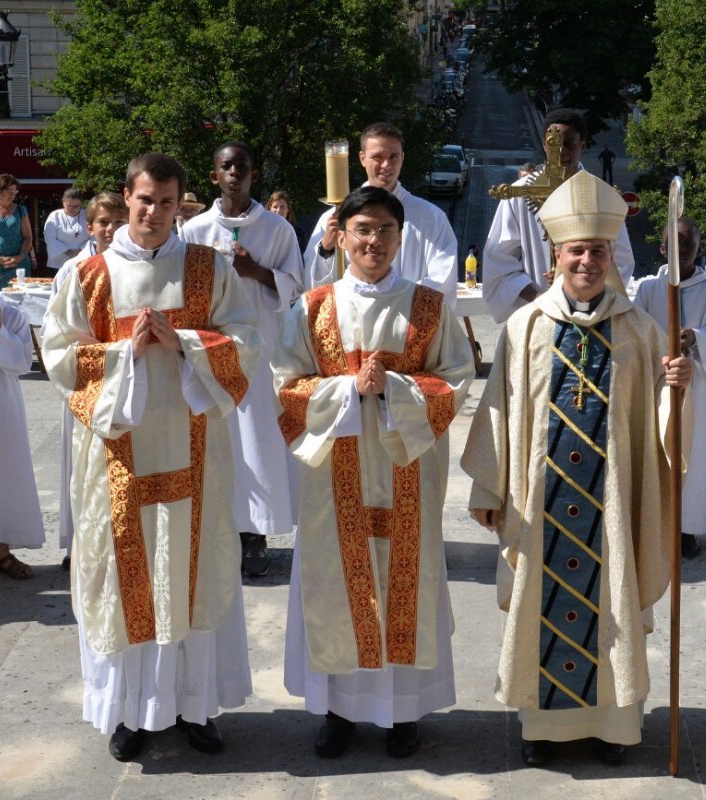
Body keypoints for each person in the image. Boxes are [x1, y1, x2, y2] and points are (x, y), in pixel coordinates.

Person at [463, 171, 692, 766]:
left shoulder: (640, 330)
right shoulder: (526, 327)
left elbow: (662, 427)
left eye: (598, 250)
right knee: (545, 596)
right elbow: (498, 411)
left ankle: (614, 728)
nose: (587, 260)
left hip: (612, 501)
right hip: (539, 503)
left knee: (612, 595)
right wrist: (490, 485)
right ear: (555, 258)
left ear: (612, 256)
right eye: (576, 250)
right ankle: (545, 729)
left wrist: (676, 390)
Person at [41, 152, 260, 761]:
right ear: (126, 198)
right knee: (123, 581)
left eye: (167, 202)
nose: (154, 212)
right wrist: (122, 354)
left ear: (181, 204)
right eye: (144, 200)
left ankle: (195, 707)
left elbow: (247, 344)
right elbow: (60, 355)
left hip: (196, 453)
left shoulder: (208, 269)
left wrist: (184, 341)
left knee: (194, 574)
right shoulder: (87, 275)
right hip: (119, 454)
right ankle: (129, 712)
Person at [276, 185, 474, 759]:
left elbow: (455, 380)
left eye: (385, 231)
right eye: (362, 229)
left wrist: (394, 388)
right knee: (338, 585)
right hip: (333, 477)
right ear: (341, 235)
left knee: (405, 584)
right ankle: (338, 712)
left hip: (405, 470)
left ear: (400, 236)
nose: (374, 242)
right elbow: (284, 386)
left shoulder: (430, 307)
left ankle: (402, 715)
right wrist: (344, 389)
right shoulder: (313, 307)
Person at [181, 142, 304, 578]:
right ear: (214, 175)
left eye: (243, 167)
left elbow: (296, 289)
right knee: (217, 439)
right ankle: (218, 531)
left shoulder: (277, 230)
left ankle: (254, 536)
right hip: (211, 352)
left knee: (256, 443)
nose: (235, 173)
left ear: (254, 174)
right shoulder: (194, 231)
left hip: (262, 350)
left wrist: (257, 273)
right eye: (226, 167)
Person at [634, 217, 706, 557]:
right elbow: (635, 336)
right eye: (674, 243)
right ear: (662, 248)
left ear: (698, 247)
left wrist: (697, 338)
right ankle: (656, 525)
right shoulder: (648, 290)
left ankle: (687, 529)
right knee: (656, 451)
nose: (682, 249)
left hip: (700, 390)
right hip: (657, 386)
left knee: (695, 454)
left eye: (688, 242)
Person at [482, 108, 635, 324]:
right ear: (544, 144)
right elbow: (499, 263)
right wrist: (543, 299)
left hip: (591, 315)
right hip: (536, 313)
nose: (561, 152)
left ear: (582, 145)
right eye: (554, 144)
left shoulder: (600, 195)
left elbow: (621, 263)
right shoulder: (520, 194)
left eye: (569, 144)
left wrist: (584, 289)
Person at [53, 192, 130, 565]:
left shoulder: (130, 265)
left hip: (125, 382)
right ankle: (78, 546)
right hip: (86, 383)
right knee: (82, 468)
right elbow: (59, 332)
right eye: (104, 222)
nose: (112, 229)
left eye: (118, 221)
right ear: (90, 227)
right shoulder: (74, 270)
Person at [304, 122, 457, 308]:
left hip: (407, 323)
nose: (386, 165)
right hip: (351, 323)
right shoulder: (335, 218)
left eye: (393, 157)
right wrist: (326, 249)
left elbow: (442, 281)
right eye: (377, 157)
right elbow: (313, 288)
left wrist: (393, 302)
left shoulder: (431, 218)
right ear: (362, 158)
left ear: (402, 158)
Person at [0, 281, 45, 579]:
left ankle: (0, 550)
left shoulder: (13, 315)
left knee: (4, 477)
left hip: (2, 405)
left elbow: (22, 361)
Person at [0, 174, 33, 287]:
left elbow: (28, 236)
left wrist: (21, 255)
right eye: (9, 190)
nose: (13, 194)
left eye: (15, 191)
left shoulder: (21, 210)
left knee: (21, 299)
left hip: (19, 264)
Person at [44, 187, 90, 272]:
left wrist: (81, 250)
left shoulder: (87, 215)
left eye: (76, 206)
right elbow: (49, 238)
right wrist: (68, 251)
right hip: (59, 262)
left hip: (83, 259)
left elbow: (94, 236)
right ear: (63, 203)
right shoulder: (55, 216)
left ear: (81, 204)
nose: (72, 209)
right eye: (69, 206)